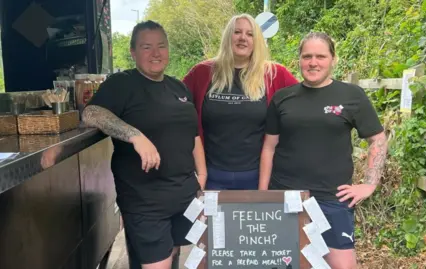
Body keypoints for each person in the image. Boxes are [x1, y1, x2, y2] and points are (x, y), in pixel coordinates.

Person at [82, 20, 207, 269]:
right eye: (146, 47)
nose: (156, 53)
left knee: (173, 257)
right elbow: (92, 114)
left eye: (161, 46)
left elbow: (192, 135)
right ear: (133, 52)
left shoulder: (178, 87)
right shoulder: (122, 83)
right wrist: (135, 135)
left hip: (183, 195)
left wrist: (202, 174)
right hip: (145, 201)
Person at [259, 32, 387, 269]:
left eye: (320, 56)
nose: (313, 62)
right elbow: (269, 147)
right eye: (307, 56)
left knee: (343, 265)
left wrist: (369, 184)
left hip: (333, 199)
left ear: (333, 59)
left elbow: (377, 139)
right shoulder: (282, 98)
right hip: (286, 197)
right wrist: (263, 195)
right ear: (299, 60)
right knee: (285, 263)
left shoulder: (351, 96)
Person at [183, 14, 298, 190]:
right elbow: (175, 107)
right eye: (237, 32)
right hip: (211, 177)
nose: (243, 38)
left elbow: (305, 103)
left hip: (259, 179)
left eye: (250, 34)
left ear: (257, 40)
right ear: (228, 37)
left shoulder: (274, 74)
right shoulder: (203, 72)